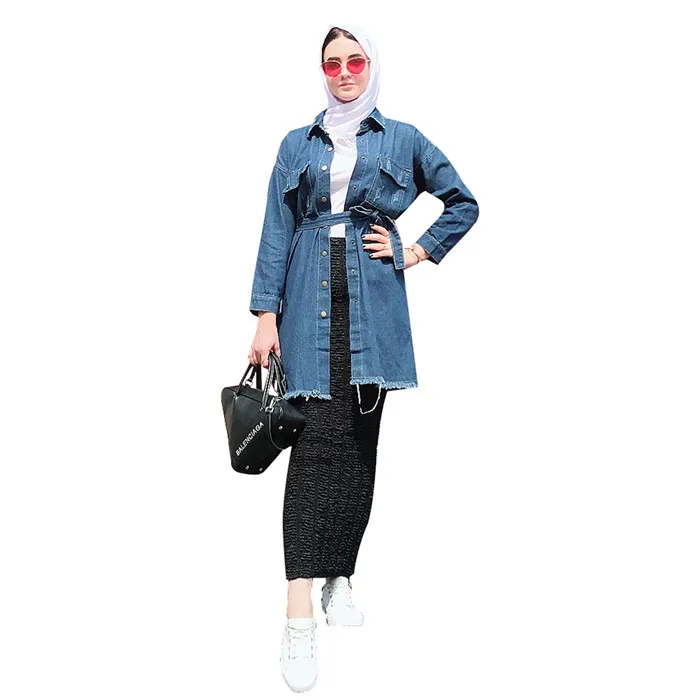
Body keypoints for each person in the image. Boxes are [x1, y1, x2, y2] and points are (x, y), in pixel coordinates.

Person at [247, 23, 479, 693]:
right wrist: (265, 314)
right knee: (313, 449)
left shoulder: (402, 138)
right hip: (306, 301)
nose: (344, 72)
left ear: (371, 66)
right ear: (321, 71)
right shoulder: (296, 143)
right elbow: (277, 228)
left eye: (355, 61)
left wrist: (418, 249)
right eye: (332, 63)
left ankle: (340, 574)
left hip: (372, 307)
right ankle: (297, 613)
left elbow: (462, 202)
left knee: (358, 443)